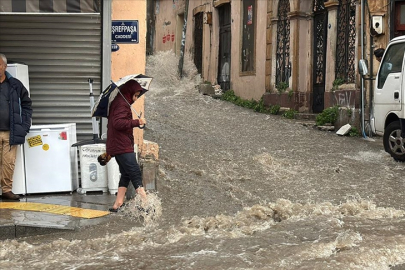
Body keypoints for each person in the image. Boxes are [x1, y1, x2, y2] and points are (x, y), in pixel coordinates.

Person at [107, 80, 147, 212]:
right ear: (128, 92)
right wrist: (136, 122)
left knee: (126, 173)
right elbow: (118, 123)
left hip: (120, 144)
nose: (135, 99)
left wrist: (136, 122)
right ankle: (146, 203)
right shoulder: (121, 104)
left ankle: (118, 203)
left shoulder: (121, 103)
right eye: (135, 95)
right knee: (134, 172)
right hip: (121, 145)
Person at [0, 53, 32, 200]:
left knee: (8, 164)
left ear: (5, 67)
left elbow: (27, 105)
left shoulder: (15, 85)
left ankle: (6, 190)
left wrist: (23, 126)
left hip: (11, 132)